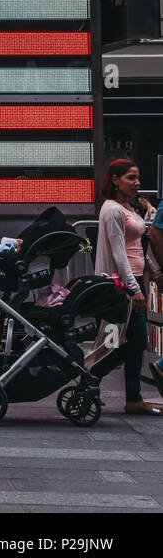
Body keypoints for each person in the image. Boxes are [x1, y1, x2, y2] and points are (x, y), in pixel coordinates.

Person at [90, 159, 163, 414]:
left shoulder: (127, 207)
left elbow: (139, 247)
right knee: (134, 341)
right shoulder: (111, 209)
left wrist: (154, 273)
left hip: (133, 281)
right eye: (131, 178)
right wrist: (134, 289)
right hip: (121, 285)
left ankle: (130, 397)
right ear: (115, 180)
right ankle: (92, 377)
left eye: (138, 177)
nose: (137, 183)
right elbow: (119, 254)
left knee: (129, 341)